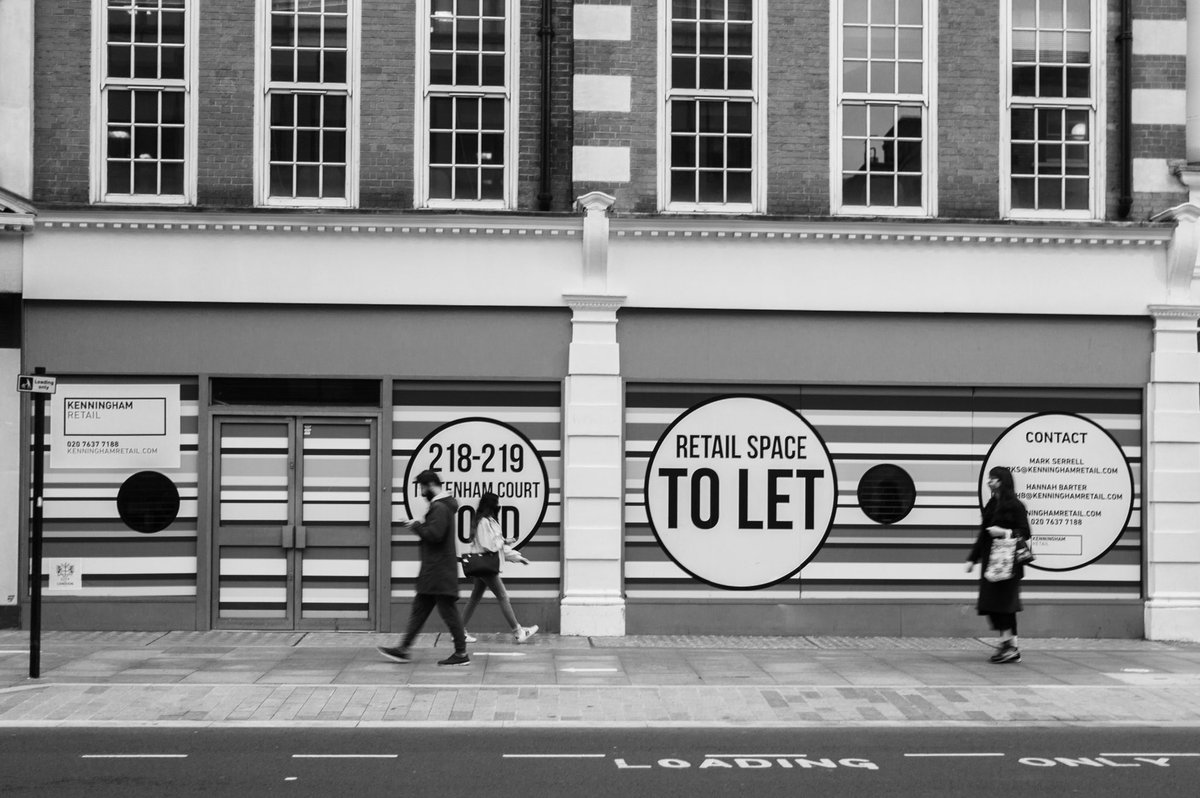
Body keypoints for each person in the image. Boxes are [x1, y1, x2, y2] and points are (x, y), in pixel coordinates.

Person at [377, 469, 470, 666]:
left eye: (422, 487)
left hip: (438, 571)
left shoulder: (439, 507)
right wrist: (420, 524)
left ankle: (461, 654)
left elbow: (435, 535)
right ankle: (403, 649)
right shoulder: (443, 506)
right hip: (436, 570)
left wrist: (416, 526)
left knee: (448, 612)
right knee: (420, 611)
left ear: (429, 485)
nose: (421, 492)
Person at [966, 465, 1031, 664]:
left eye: (993, 478)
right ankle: (1007, 644)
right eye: (989, 478)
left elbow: (1025, 533)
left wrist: (1003, 532)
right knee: (992, 605)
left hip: (1009, 563)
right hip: (991, 563)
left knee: (1005, 605)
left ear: (1003, 481)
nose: (990, 482)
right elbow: (983, 534)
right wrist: (972, 558)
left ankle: (1011, 646)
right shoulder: (991, 504)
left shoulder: (1016, 505)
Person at [460, 492, 538, 644]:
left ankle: (458, 631)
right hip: (486, 567)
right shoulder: (484, 522)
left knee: (475, 597)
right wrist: (505, 542)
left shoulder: (489, 521)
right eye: (497, 503)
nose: (499, 506)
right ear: (491, 505)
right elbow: (489, 546)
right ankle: (518, 632)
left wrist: (517, 557)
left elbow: (497, 547)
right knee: (503, 597)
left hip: (484, 566)